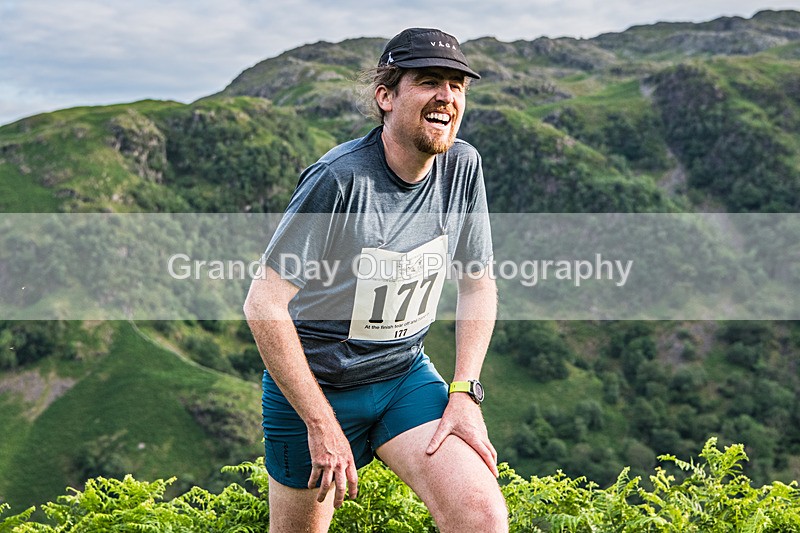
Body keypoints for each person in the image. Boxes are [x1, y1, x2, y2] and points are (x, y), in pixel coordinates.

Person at [244, 27, 508, 532]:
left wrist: (464, 392)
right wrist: (320, 423)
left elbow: (477, 283)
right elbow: (264, 304)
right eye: (428, 81)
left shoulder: (463, 166)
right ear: (385, 97)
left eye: (457, 86)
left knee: (482, 516)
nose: (447, 96)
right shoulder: (338, 179)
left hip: (403, 376)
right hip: (316, 387)